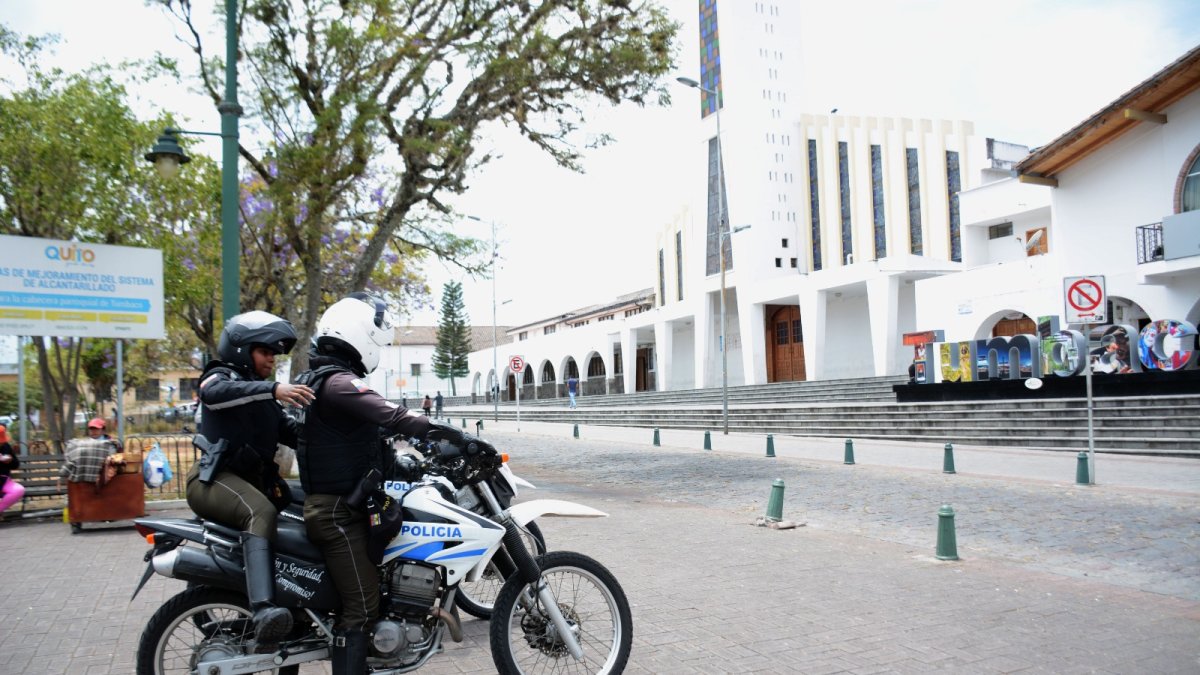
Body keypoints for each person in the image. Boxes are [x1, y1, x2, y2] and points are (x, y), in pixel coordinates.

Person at [296, 292, 453, 674]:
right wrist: (450, 433)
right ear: (357, 335)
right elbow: (394, 415)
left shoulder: (324, 379)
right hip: (336, 514)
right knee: (362, 606)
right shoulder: (338, 383)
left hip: (344, 505)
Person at [185, 311, 315, 650]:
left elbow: (294, 433)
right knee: (261, 512)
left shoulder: (264, 400)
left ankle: (302, 597)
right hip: (212, 480)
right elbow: (215, 393)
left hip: (251, 482)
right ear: (242, 350)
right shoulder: (220, 376)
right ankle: (263, 610)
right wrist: (274, 389)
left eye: (274, 354)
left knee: (314, 506)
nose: (272, 360)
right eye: (265, 352)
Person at [57, 418, 119, 490]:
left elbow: (113, 458)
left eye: (96, 429)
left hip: (104, 479)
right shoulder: (83, 444)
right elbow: (74, 459)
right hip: (84, 479)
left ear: (103, 430)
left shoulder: (110, 444)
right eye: (91, 429)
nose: (93, 431)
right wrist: (62, 475)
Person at [0, 423, 23, 514]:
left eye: (2, 442)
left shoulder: (6, 446)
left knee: (19, 490)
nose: (1, 444)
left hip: (4, 480)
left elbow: (16, 465)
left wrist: (10, 461)